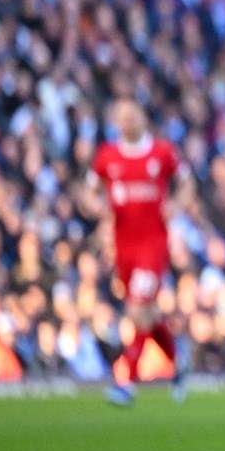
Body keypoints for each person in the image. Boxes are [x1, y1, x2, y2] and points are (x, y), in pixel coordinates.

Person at [90, 99, 190, 407]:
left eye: (133, 116)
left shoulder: (161, 152)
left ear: (143, 118)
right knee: (147, 314)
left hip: (152, 244)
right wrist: (100, 212)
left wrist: (178, 205)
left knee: (137, 309)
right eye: (122, 118)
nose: (128, 122)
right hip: (124, 246)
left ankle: (127, 382)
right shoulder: (107, 156)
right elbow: (89, 191)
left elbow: (186, 183)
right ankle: (178, 361)